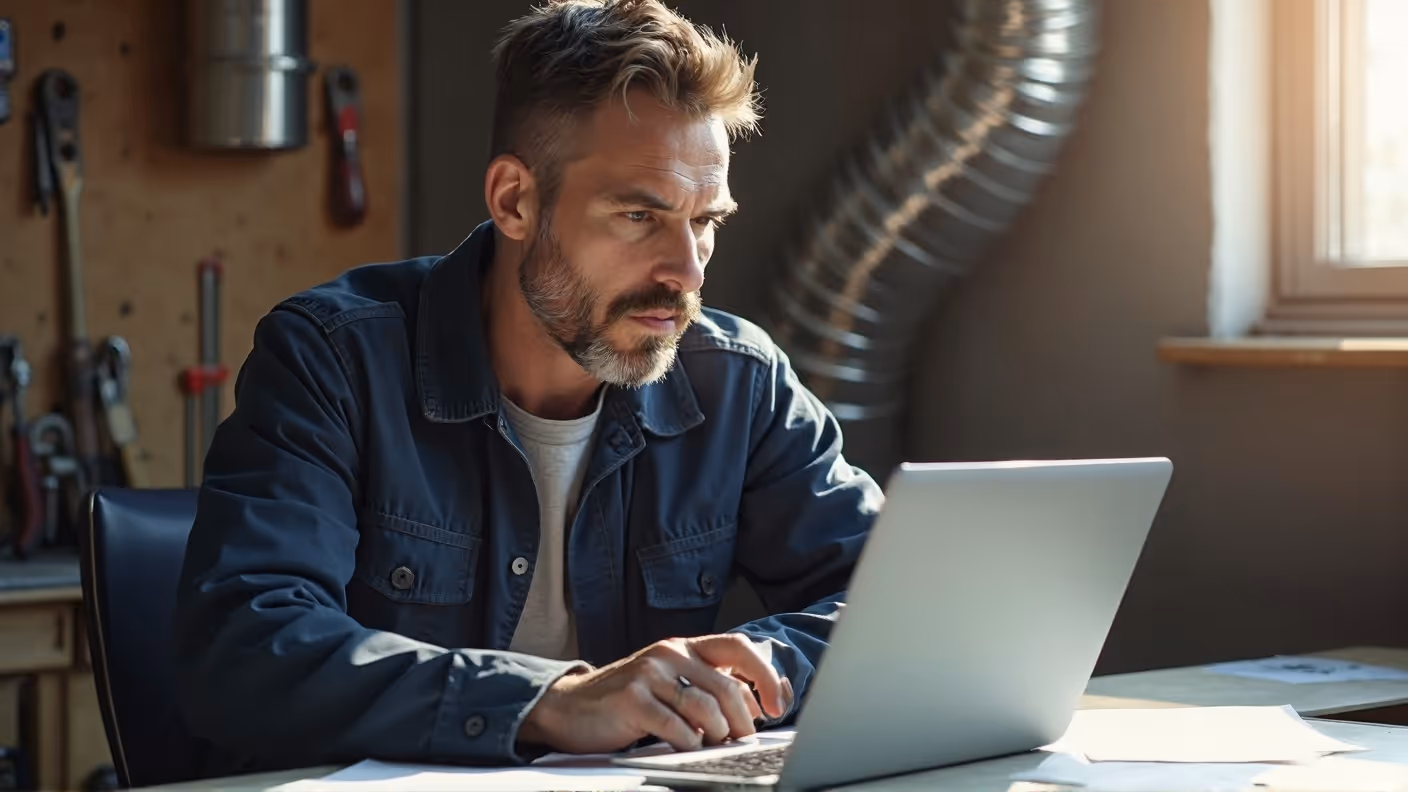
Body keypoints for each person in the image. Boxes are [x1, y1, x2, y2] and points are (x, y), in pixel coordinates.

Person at [174, 0, 882, 775]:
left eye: (704, 221)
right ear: (515, 200)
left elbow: (900, 606)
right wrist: (551, 701)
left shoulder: (739, 382)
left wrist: (759, 667)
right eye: (639, 216)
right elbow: (246, 645)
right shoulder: (333, 360)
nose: (686, 271)